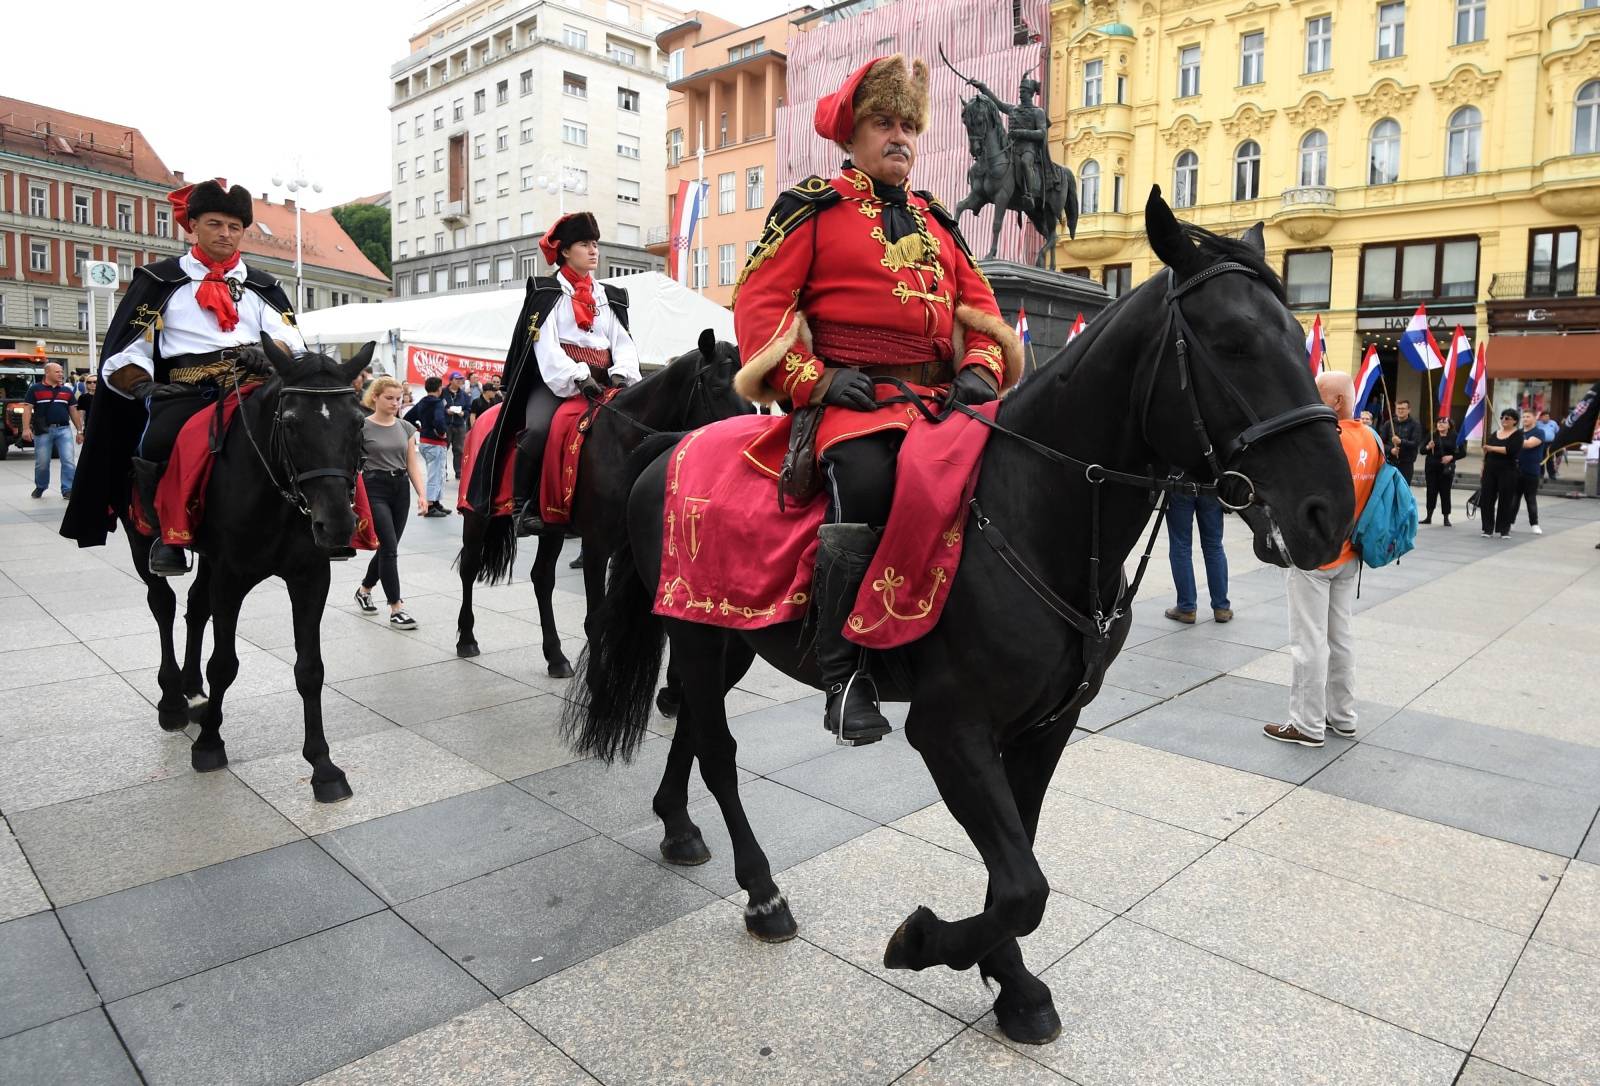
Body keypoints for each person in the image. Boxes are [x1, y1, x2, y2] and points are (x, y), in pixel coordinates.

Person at [730, 54, 1020, 740]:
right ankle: (845, 673)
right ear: (852, 135)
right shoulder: (815, 210)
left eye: (909, 126)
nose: (900, 138)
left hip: (943, 399)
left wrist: (980, 368)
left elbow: (982, 310)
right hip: (850, 400)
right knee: (863, 480)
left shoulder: (937, 220)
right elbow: (759, 304)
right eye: (884, 123)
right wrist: (816, 380)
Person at [61, 179, 303, 572]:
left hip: (255, 381)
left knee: (313, 429)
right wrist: (142, 384)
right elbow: (128, 347)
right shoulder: (161, 281)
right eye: (215, 224)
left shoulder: (263, 285)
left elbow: (291, 338)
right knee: (157, 440)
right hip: (189, 387)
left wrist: (268, 353)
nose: (226, 233)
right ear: (193, 225)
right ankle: (164, 536)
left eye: (234, 227)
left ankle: (326, 521)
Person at [465, 210, 641, 538]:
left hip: (605, 380)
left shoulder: (609, 296)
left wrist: (622, 374)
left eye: (595, 245)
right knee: (538, 430)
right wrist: (578, 376)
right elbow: (545, 348)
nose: (594, 251)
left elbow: (623, 342)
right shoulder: (546, 294)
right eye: (585, 244)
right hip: (556, 379)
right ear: (564, 251)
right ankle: (522, 507)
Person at [1265, 371, 1381, 748]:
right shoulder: (1372, 439)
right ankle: (1343, 717)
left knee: (1308, 641)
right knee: (1341, 637)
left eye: (1317, 394)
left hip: (1317, 555)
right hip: (1352, 554)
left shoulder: (1327, 441)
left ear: (1334, 402)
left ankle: (1306, 724)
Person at [353, 376, 429, 630]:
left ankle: (364, 589)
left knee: (388, 546)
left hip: (400, 489)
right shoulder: (361, 427)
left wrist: (421, 493)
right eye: (389, 398)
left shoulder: (406, 427)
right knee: (389, 548)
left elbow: (411, 463)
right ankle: (396, 607)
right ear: (374, 397)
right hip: (373, 487)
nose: (395, 403)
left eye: (398, 398)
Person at [1163, 492, 1231, 624]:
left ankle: (1186, 608)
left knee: (1180, 546)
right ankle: (1221, 608)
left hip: (1180, 483)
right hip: (1211, 486)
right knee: (1214, 546)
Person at [21, 362, 82, 499]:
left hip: (64, 430)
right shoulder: (35, 389)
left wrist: (79, 431)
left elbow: (73, 410)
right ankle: (41, 486)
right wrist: (25, 429)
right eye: (57, 372)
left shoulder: (66, 391)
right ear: (47, 373)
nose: (61, 374)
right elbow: (27, 409)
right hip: (43, 431)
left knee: (68, 460)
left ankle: (68, 489)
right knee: (42, 462)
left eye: (61, 371)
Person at [405, 376, 451, 516]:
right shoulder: (437, 403)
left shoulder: (422, 402)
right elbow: (439, 420)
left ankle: (436, 502)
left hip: (425, 441)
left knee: (437, 473)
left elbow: (408, 418)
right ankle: (430, 506)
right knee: (435, 474)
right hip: (435, 443)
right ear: (439, 388)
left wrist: (418, 428)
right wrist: (442, 432)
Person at [1478, 408, 1523, 539]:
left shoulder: (1518, 435)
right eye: (1502, 417)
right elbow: (1487, 453)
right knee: (1487, 499)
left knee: (1506, 500)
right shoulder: (1495, 433)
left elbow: (1511, 450)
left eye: (1507, 418)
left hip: (1508, 470)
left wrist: (1491, 448)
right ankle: (1487, 528)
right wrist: (1483, 466)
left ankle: (1504, 529)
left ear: (1514, 421)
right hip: (1490, 469)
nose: (1504, 420)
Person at [1421, 415, 1458, 526]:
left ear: (1449, 425)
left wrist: (1451, 457)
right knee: (1431, 492)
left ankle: (1446, 517)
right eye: (1438, 423)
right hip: (1431, 468)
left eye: (1443, 422)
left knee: (1445, 492)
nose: (1440, 424)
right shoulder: (1432, 436)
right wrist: (1428, 447)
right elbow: (1421, 450)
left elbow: (1462, 452)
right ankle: (1428, 516)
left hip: (1446, 469)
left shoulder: (1454, 436)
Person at [1514, 410, 1546, 535]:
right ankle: (1511, 522)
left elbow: (1528, 444)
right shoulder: (1518, 432)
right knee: (1514, 498)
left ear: (1534, 419)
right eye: (1523, 416)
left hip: (1531, 470)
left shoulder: (1539, 432)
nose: (1525, 419)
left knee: (1530, 498)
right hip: (1516, 470)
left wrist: (1514, 439)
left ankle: (1534, 524)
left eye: (1528, 416)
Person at [442, 370, 472, 478]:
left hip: (459, 425)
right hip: (446, 424)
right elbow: (438, 406)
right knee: (443, 449)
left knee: (459, 449)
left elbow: (468, 409)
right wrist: (446, 411)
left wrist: (464, 413)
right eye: (457, 379)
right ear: (451, 380)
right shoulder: (442, 392)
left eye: (461, 379)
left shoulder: (464, 395)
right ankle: (442, 471)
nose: (459, 381)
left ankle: (458, 472)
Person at [1386, 398, 1421, 484]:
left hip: (1406, 463)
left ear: (1409, 410)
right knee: (1389, 489)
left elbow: (1415, 443)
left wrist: (1401, 442)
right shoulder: (1388, 423)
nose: (1400, 411)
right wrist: (1390, 450)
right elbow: (1381, 442)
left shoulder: (1415, 425)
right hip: (1390, 462)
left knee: (1403, 490)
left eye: (1403, 409)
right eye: (1398, 408)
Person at [1536, 409, 1560, 481]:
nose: (1547, 418)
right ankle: (1540, 474)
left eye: (1548, 416)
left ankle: (1552, 475)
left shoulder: (1553, 423)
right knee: (1541, 459)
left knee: (1550, 460)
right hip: (1540, 444)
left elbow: (1557, 432)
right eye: (1545, 416)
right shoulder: (1537, 423)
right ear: (1541, 417)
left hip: (1550, 444)